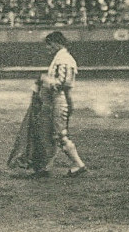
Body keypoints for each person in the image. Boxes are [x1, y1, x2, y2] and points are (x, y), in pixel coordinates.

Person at [31, 32, 88, 178]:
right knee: (49, 133)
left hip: (60, 100)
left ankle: (78, 164)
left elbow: (63, 83)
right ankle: (45, 167)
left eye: (49, 45)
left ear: (56, 43)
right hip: (55, 100)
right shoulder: (61, 58)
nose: (47, 48)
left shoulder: (64, 59)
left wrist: (44, 79)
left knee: (60, 134)